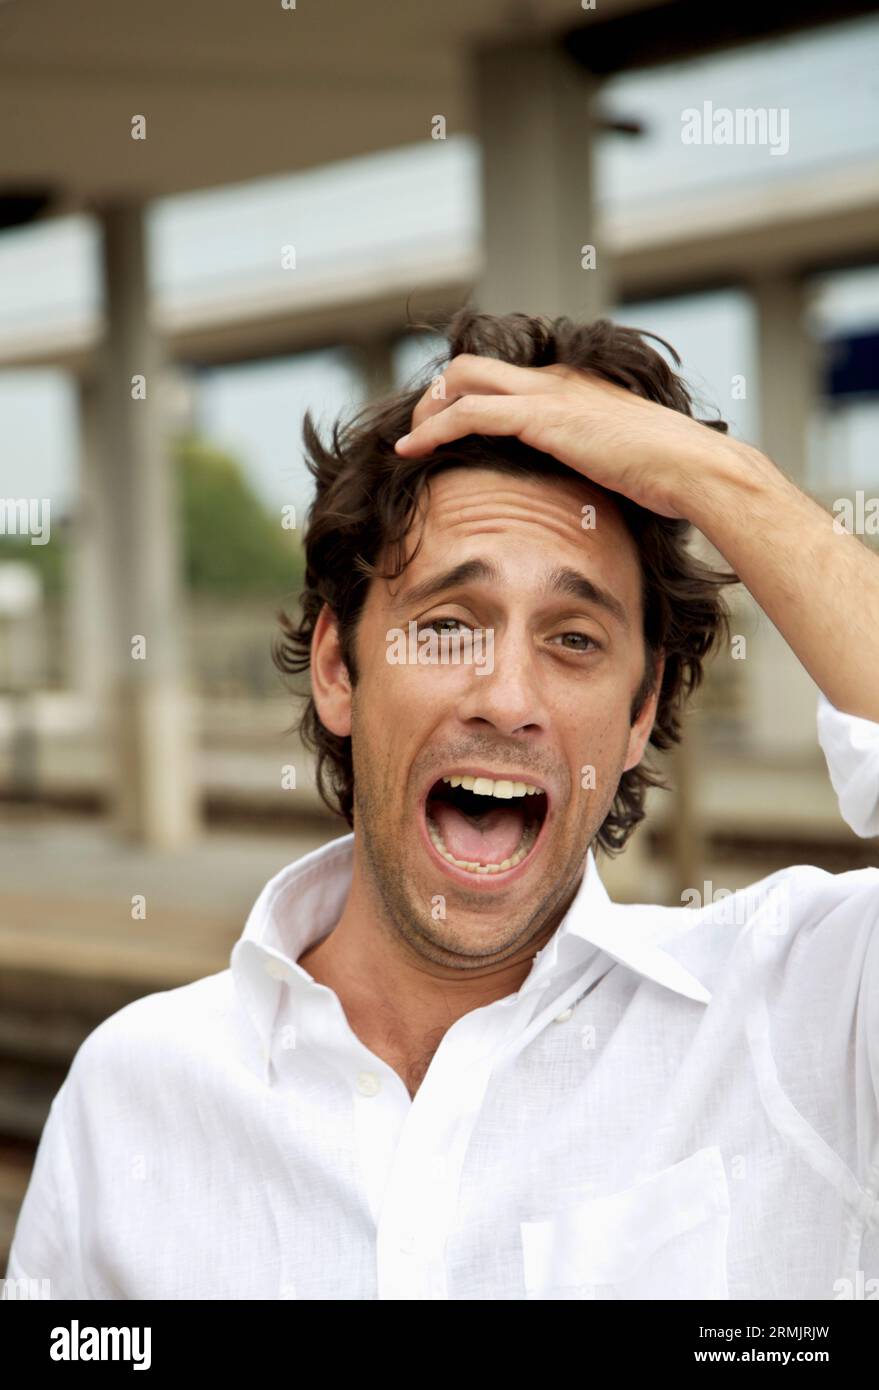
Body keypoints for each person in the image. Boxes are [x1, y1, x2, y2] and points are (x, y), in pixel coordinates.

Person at [6, 309, 878, 1300]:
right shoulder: (132, 1097)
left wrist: (725, 482)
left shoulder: (808, 1014)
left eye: (576, 639)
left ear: (641, 715)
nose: (508, 698)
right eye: (451, 624)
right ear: (340, 667)